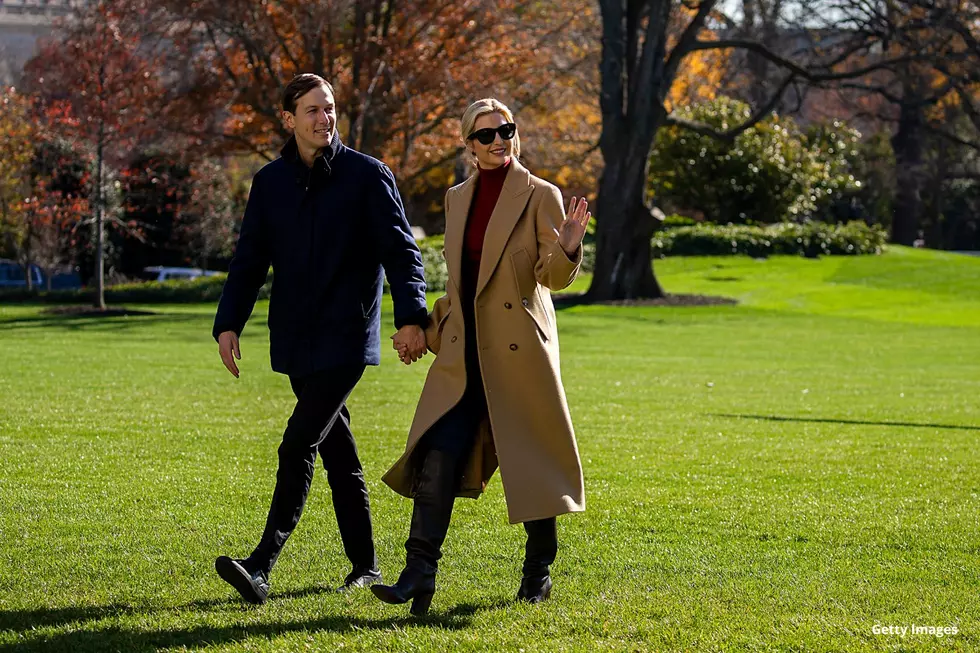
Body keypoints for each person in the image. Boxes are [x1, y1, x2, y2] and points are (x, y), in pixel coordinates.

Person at [211, 73, 429, 605]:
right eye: (311, 110)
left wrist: (412, 317)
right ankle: (366, 565)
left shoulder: (367, 176)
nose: (323, 118)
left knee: (298, 441)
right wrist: (228, 322)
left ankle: (261, 565)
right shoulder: (269, 183)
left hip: (346, 336)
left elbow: (402, 254)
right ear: (289, 119)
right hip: (294, 340)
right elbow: (249, 261)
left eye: (328, 108)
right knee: (338, 450)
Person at [372, 98, 591, 615]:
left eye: (506, 131)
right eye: (486, 135)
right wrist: (424, 328)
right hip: (464, 352)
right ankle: (418, 573)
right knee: (438, 452)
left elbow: (550, 278)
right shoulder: (457, 198)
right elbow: (461, 285)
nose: (499, 141)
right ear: (469, 145)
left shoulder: (542, 195)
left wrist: (569, 246)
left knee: (530, 459)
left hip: (518, 350)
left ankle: (538, 572)